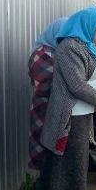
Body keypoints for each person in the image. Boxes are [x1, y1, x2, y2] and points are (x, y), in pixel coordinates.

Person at [39, 8, 96, 190]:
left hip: (82, 112)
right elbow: (76, 84)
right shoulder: (69, 47)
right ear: (88, 25)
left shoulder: (85, 45)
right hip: (72, 115)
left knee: (75, 161)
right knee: (76, 162)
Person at [28, 17, 68, 171]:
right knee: (46, 150)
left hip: (58, 109)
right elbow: (47, 87)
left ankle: (61, 188)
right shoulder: (42, 54)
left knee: (59, 150)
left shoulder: (57, 51)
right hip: (45, 109)